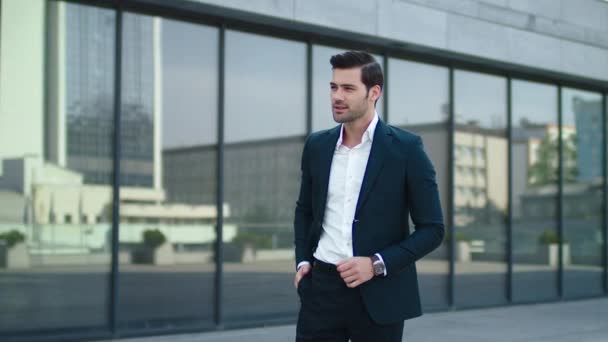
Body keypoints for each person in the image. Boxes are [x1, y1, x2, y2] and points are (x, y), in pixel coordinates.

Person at [293, 50, 444, 341]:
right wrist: (302, 263)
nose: (337, 96)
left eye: (348, 88)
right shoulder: (317, 146)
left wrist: (376, 264)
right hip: (321, 291)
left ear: (374, 92)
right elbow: (304, 211)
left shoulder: (406, 149)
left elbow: (433, 229)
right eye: (333, 87)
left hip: (380, 292)